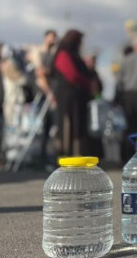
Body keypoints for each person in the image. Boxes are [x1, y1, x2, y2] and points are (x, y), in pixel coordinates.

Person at [52, 29, 95, 156]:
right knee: (68, 124)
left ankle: (78, 154)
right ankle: (66, 153)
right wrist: (86, 82)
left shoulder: (74, 55)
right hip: (68, 97)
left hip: (78, 97)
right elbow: (72, 75)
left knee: (78, 126)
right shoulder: (64, 54)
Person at [28, 29, 59, 164]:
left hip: (51, 92)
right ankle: (38, 155)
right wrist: (49, 92)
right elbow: (40, 72)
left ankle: (46, 154)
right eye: (51, 37)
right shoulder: (39, 52)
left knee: (50, 126)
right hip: (41, 92)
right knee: (40, 125)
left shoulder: (54, 53)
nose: (53, 40)